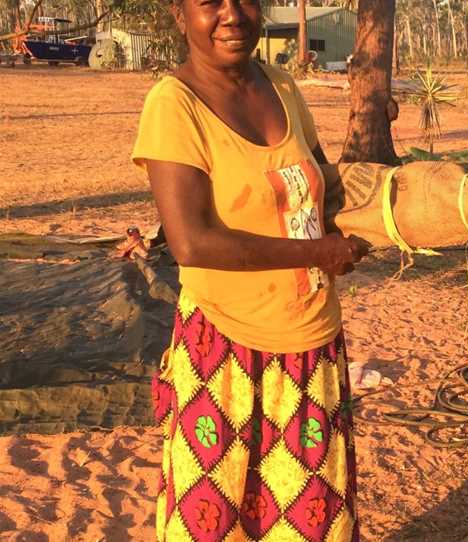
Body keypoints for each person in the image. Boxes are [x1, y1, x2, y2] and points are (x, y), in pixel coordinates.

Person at [131, 0, 368, 539]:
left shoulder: (282, 86)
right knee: (211, 522)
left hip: (312, 340)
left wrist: (403, 209)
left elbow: (322, 188)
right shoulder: (174, 104)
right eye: (210, 2)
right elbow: (191, 243)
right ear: (179, 13)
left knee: (312, 520)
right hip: (224, 350)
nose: (231, 14)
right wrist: (318, 253)